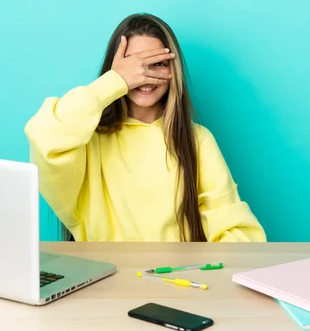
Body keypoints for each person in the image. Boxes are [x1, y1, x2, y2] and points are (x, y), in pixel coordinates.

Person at [24, 13, 266, 243]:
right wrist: (114, 82)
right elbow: (44, 137)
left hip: (177, 281)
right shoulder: (86, 140)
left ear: (174, 71)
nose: (144, 75)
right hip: (107, 282)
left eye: (158, 63)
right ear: (115, 70)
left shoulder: (198, 140)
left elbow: (236, 230)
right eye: (133, 66)